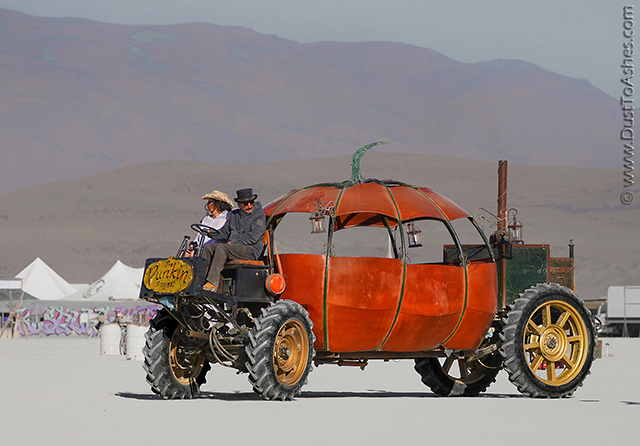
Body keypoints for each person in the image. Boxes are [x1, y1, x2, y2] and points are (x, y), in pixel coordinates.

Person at [200, 188, 266, 292]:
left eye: (251, 202)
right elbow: (224, 232)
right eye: (245, 204)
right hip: (234, 248)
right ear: (239, 204)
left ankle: (213, 283)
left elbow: (252, 238)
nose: (249, 206)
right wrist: (210, 233)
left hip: (251, 250)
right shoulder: (234, 215)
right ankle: (200, 280)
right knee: (208, 247)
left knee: (222, 248)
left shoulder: (259, 215)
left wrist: (234, 241)